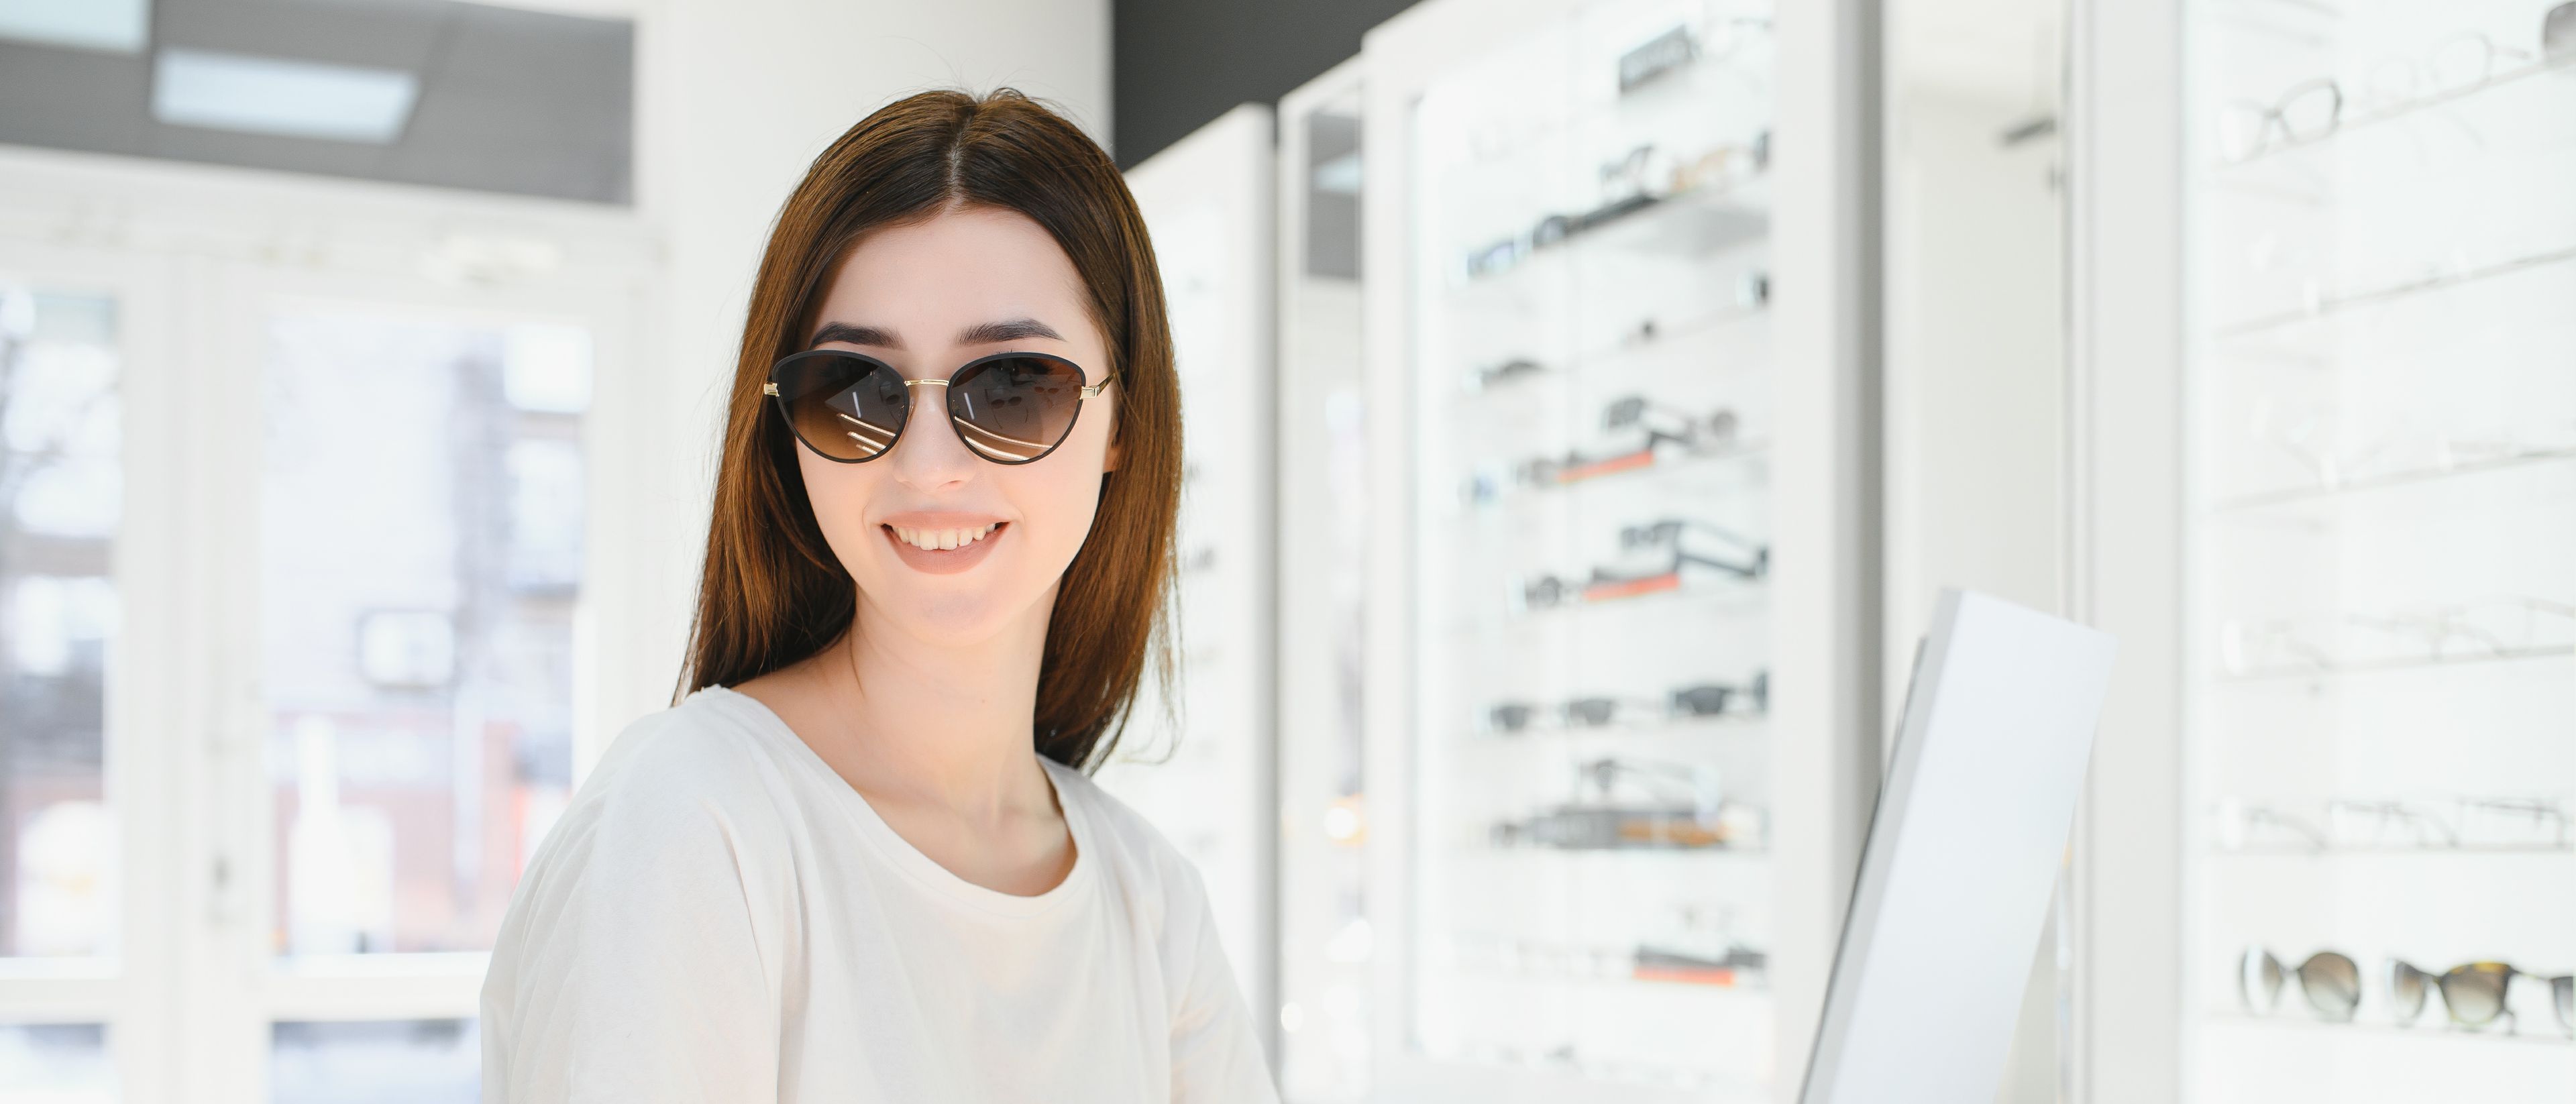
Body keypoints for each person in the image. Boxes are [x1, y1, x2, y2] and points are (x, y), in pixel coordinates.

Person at [479, 89, 1278, 1103]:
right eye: (858, 390)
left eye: (1015, 383)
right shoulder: (696, 819)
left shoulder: (1150, 899)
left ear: (1125, 419)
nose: (930, 465)